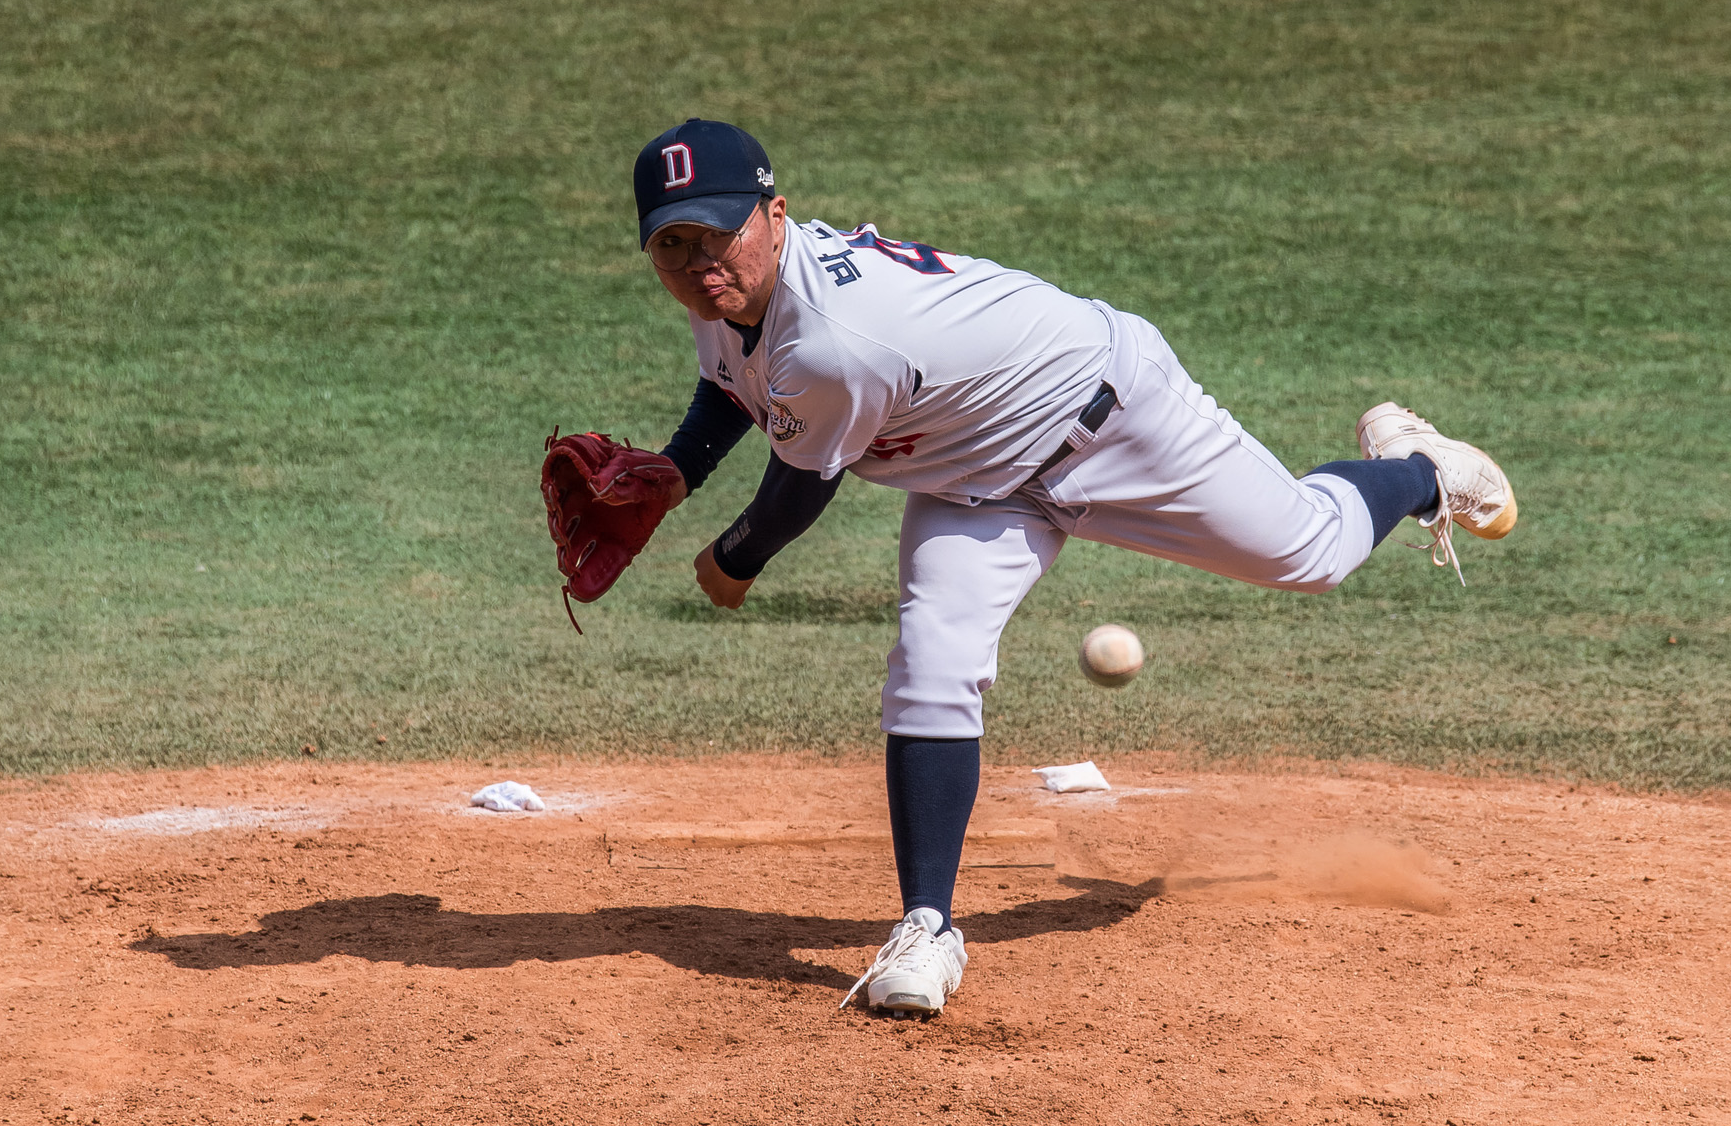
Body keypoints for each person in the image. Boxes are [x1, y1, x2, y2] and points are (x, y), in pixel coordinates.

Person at [633, 119, 1517, 1015]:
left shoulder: (833, 337)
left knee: (1312, 554)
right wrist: (674, 472)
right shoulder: (732, 298)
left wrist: (730, 561)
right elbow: (732, 382)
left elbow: (795, 490)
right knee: (932, 666)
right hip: (974, 479)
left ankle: (1416, 467)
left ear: (774, 215)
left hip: (1111, 417)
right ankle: (927, 928)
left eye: (720, 232)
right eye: (674, 244)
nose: (702, 260)